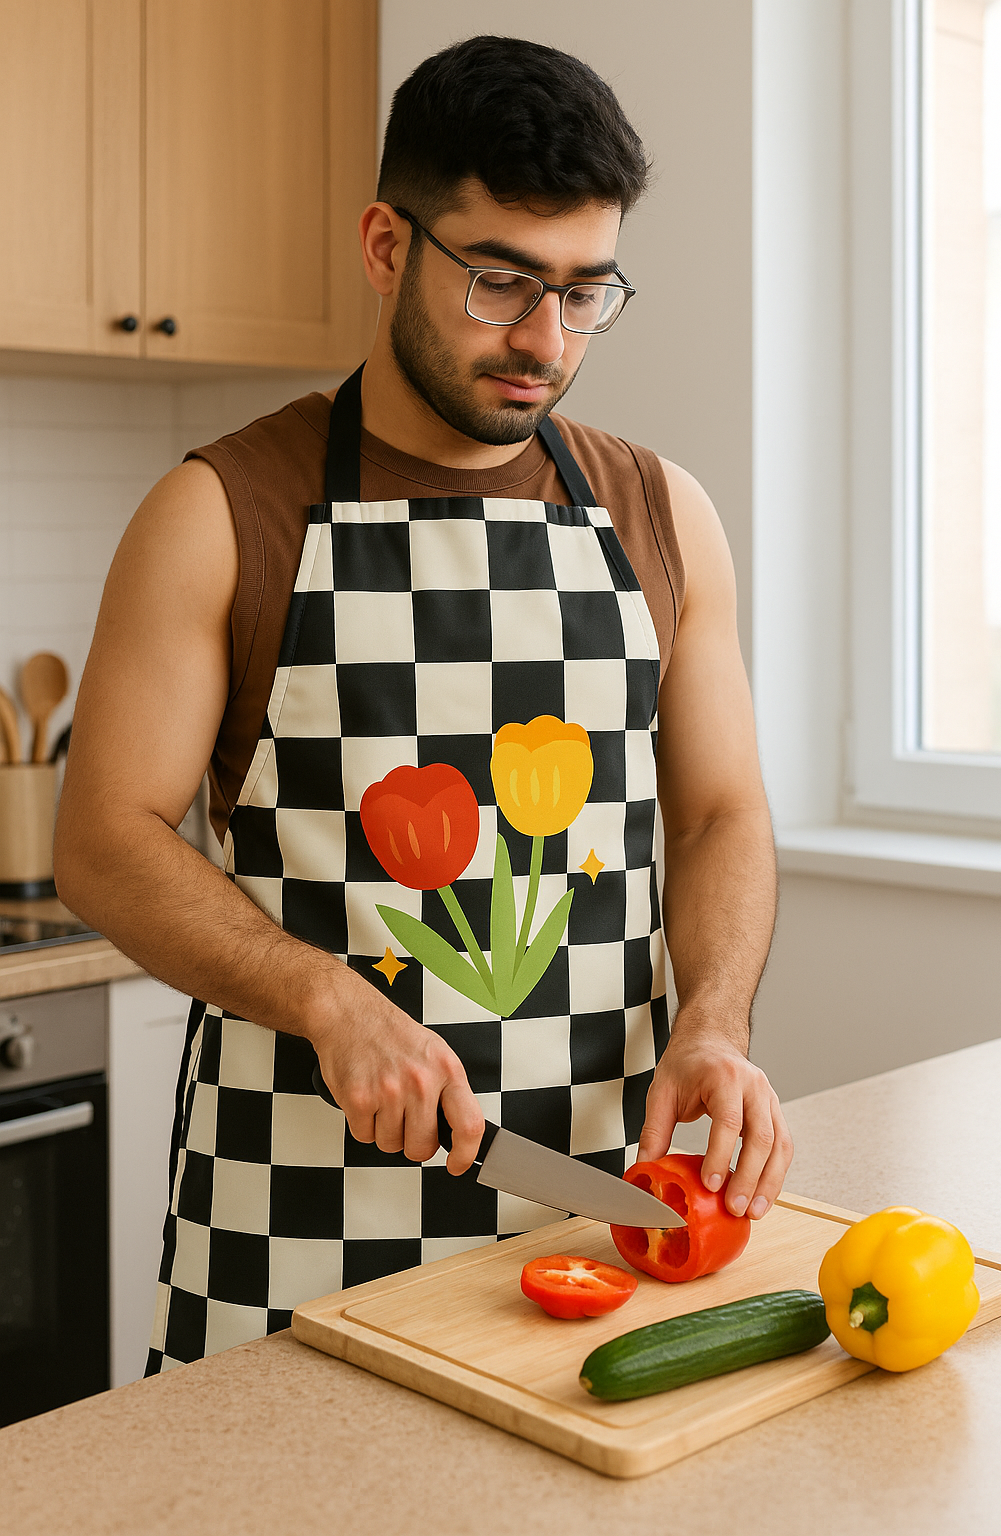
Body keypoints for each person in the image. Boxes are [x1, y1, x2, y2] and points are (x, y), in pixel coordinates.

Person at [54, 35, 792, 1371]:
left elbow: (725, 810)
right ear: (388, 244)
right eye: (501, 282)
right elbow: (106, 839)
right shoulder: (222, 511)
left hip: (597, 1209)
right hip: (292, 1211)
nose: (545, 341)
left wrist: (715, 1021)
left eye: (585, 292)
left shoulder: (662, 514)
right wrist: (329, 1001)